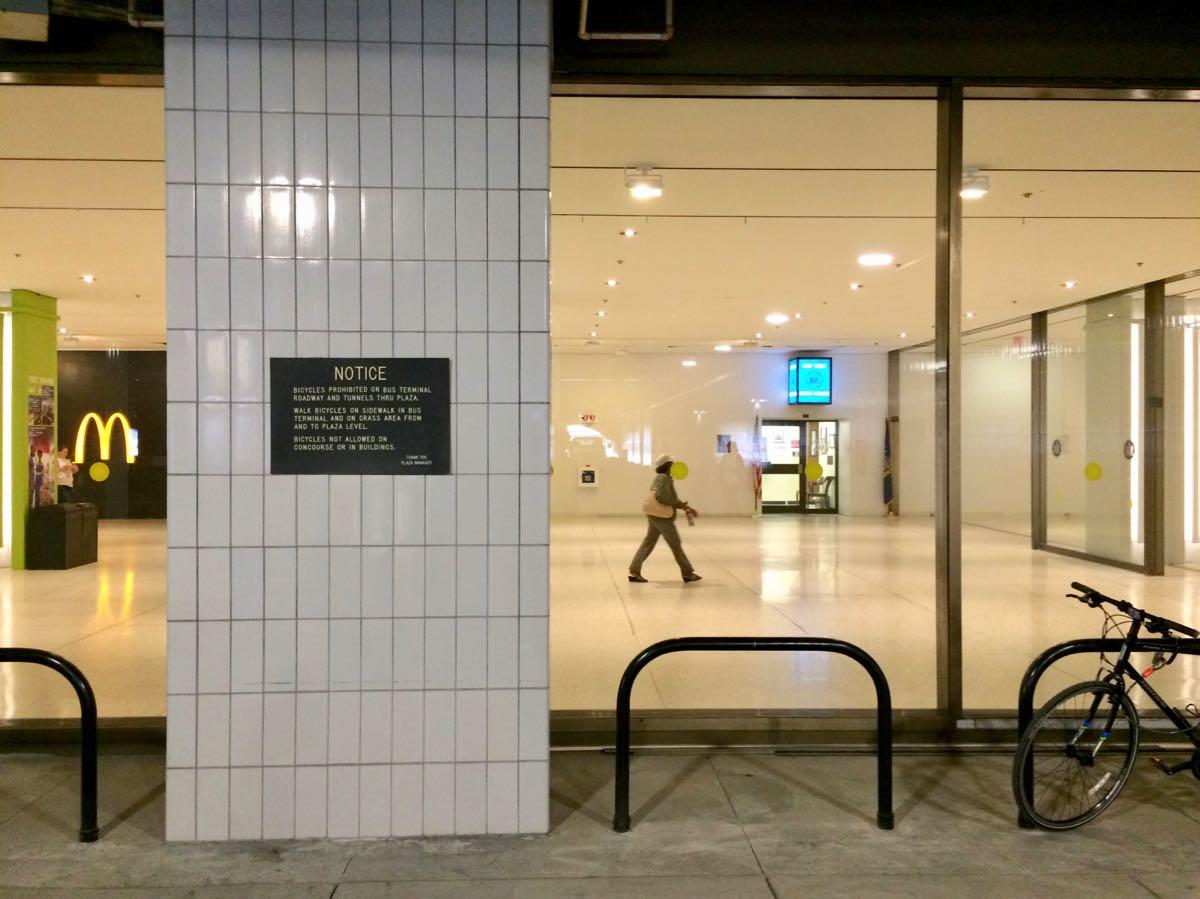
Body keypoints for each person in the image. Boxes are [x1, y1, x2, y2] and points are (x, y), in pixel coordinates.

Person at [629, 453, 702, 584]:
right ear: (668, 465)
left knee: (648, 543)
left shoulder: (659, 478)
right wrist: (681, 505)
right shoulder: (665, 479)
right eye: (672, 463)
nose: (674, 466)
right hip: (662, 518)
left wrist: (685, 507)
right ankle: (687, 573)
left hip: (653, 515)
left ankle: (634, 571)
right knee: (676, 545)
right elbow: (662, 497)